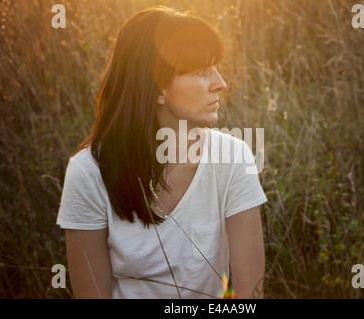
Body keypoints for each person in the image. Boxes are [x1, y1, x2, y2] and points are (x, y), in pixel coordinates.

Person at [56, 5, 268, 299]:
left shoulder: (233, 157)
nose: (221, 84)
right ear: (157, 88)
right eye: (202, 71)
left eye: (216, 69)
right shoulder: (88, 172)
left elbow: (249, 293)